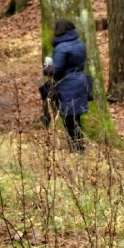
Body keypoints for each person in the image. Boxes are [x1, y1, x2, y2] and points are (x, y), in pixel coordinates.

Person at [42, 18, 88, 152]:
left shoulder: (61, 48)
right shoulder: (79, 43)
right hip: (80, 80)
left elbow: (57, 69)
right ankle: (79, 145)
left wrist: (47, 68)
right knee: (76, 117)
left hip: (67, 84)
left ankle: (75, 148)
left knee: (69, 118)